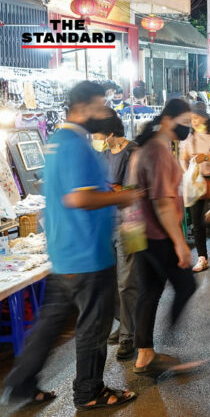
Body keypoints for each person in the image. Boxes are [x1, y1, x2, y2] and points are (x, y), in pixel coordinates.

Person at [1, 81, 139, 410]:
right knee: (93, 325)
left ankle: (22, 384)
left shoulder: (58, 141)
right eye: (101, 104)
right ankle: (90, 391)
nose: (106, 111)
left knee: (48, 325)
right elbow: (78, 197)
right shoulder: (75, 144)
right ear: (85, 108)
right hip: (87, 253)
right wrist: (124, 196)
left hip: (64, 252)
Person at [130, 99, 198, 376]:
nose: (189, 127)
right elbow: (163, 203)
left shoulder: (145, 148)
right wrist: (180, 244)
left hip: (138, 232)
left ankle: (145, 354)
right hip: (158, 233)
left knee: (149, 291)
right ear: (169, 119)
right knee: (185, 285)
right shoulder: (157, 151)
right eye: (186, 121)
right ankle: (165, 345)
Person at [89, 108, 139, 360]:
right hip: (108, 222)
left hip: (131, 224)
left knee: (126, 281)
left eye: (98, 135)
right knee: (110, 280)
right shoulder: (106, 154)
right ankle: (124, 325)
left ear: (110, 133)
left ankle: (129, 336)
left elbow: (131, 190)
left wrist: (112, 192)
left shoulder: (133, 151)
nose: (96, 140)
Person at [179, 102, 210, 273]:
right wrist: (189, 170)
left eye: (196, 117)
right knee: (197, 222)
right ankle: (202, 258)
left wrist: (208, 158)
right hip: (195, 183)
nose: (194, 121)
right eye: (192, 119)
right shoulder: (189, 139)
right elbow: (182, 160)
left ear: (205, 117)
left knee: (209, 218)